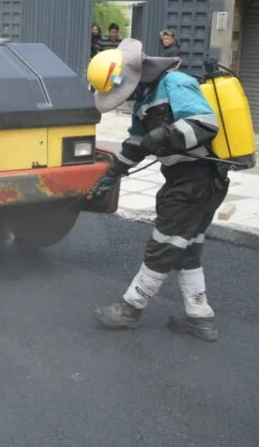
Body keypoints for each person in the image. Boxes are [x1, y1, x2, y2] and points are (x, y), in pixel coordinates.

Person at [87, 39, 229, 342]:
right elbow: (136, 145)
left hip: (198, 180)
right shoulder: (145, 99)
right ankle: (200, 318)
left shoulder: (175, 83)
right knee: (186, 248)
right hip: (183, 180)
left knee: (162, 245)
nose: (125, 97)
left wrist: (163, 135)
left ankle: (130, 308)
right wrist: (111, 175)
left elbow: (205, 124)